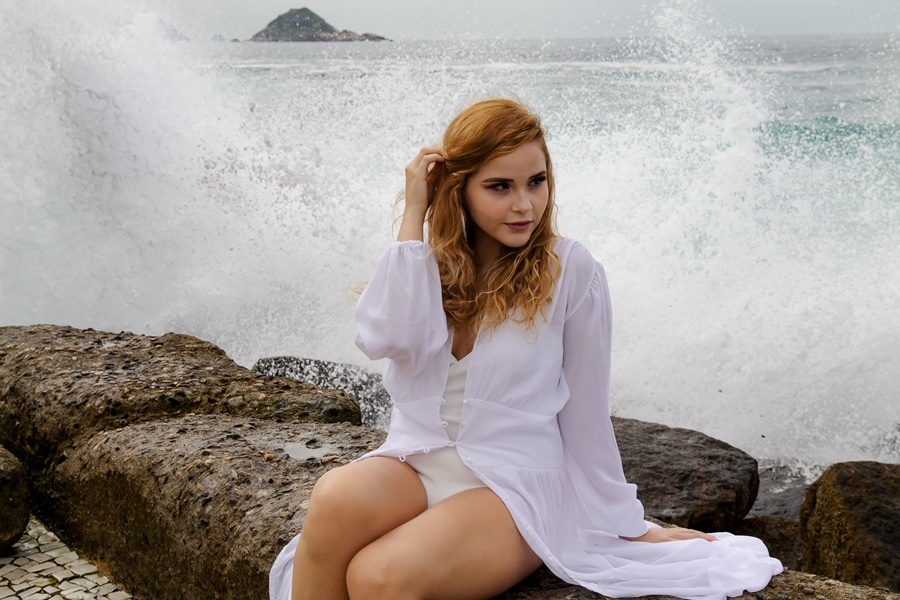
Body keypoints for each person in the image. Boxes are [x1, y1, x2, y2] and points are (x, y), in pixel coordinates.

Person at [269, 98, 782, 600]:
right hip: (416, 462)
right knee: (333, 500)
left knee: (380, 577)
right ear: (458, 189)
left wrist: (628, 526)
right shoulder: (424, 266)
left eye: (536, 182)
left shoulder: (571, 271)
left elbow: (585, 413)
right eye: (500, 187)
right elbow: (388, 338)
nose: (524, 204)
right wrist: (414, 213)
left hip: (515, 486)